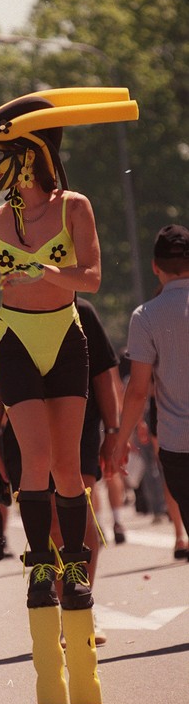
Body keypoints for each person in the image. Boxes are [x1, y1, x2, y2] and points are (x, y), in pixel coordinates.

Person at [0, 87, 137, 704]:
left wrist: (46, 274)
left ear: (32, 155)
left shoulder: (75, 208)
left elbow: (91, 277)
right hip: (13, 339)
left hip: (65, 336)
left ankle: (73, 573)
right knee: (33, 462)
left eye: (2, 157)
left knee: (71, 469)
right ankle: (40, 561)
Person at [0, 299, 122, 644]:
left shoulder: (82, 311)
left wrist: (115, 432)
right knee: (51, 521)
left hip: (80, 426)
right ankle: (62, 611)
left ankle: (82, 603)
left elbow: (105, 373)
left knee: (79, 514)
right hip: (22, 435)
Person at [109, 224, 189, 549]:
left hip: (178, 444)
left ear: (155, 267)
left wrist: (119, 442)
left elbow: (138, 390)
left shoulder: (145, 317)